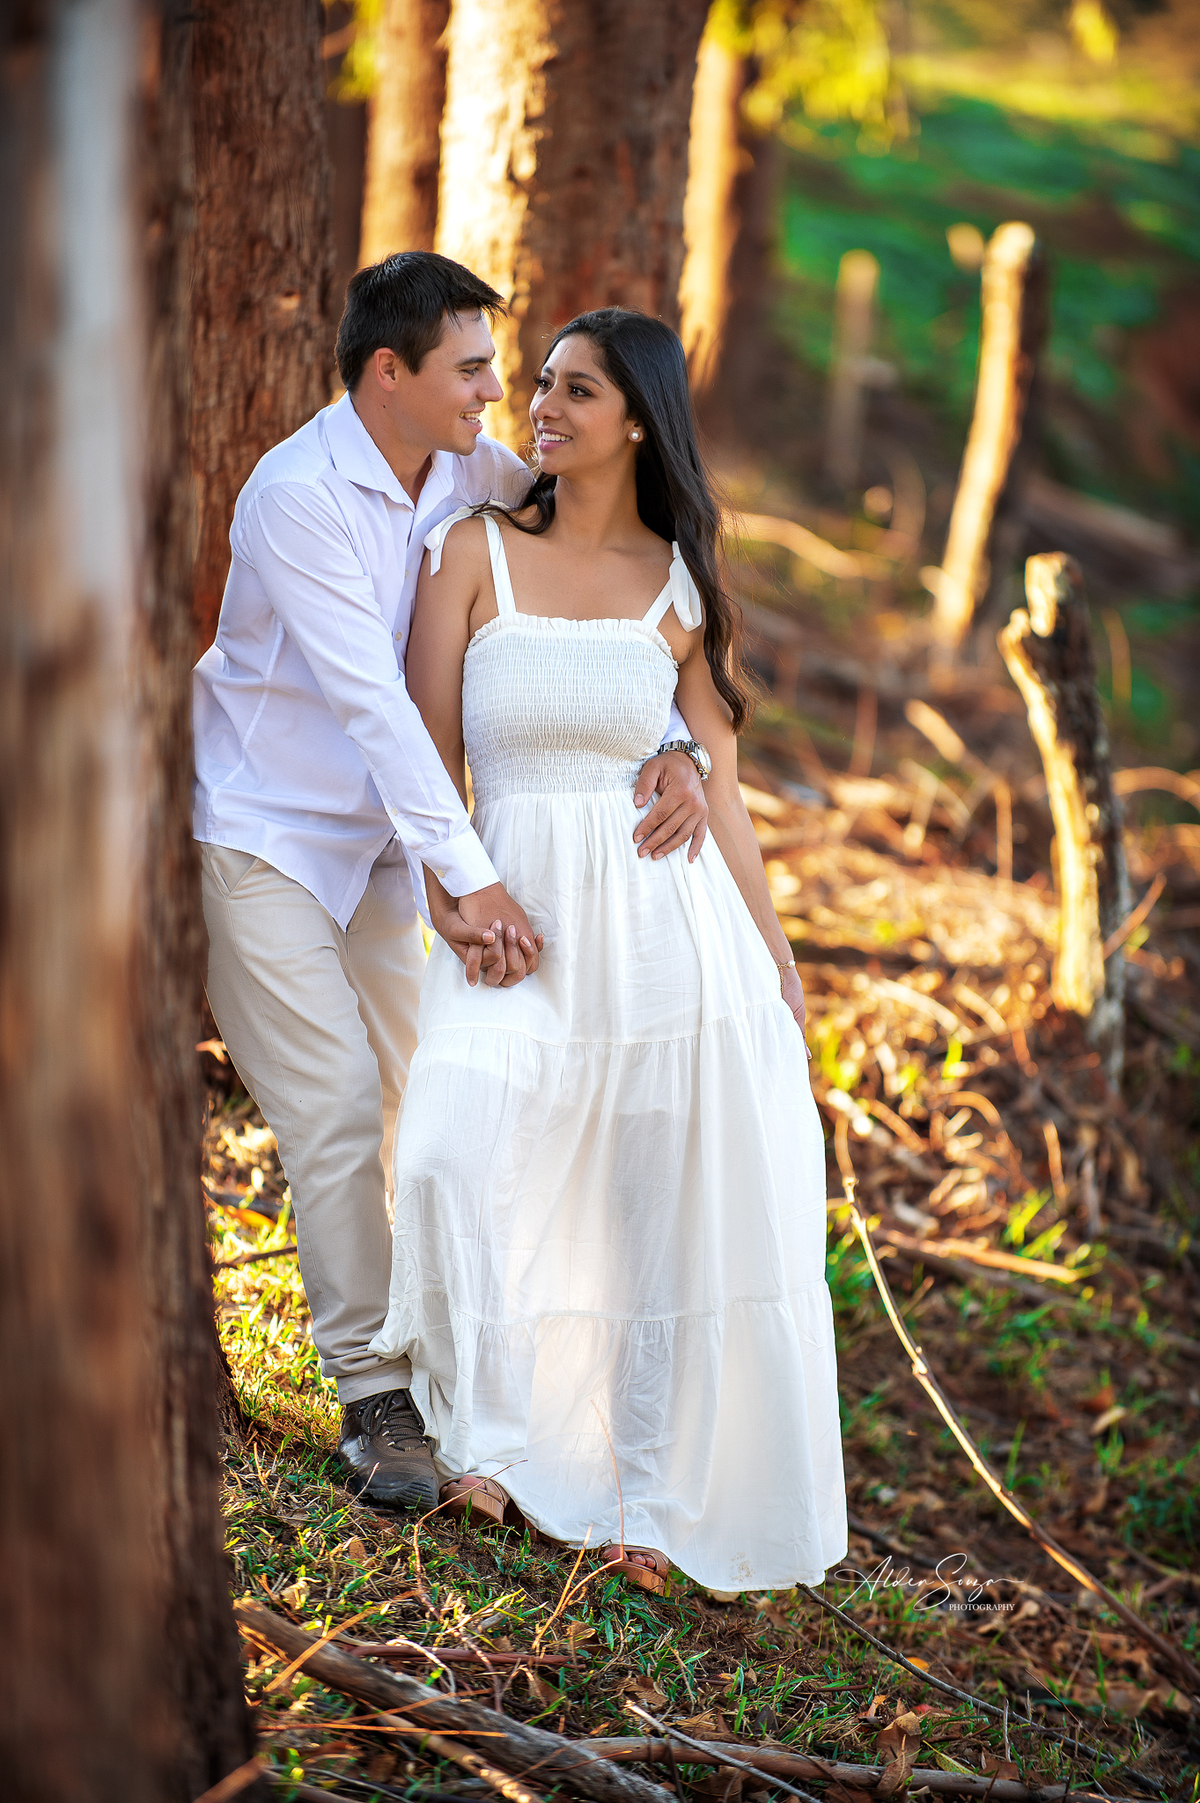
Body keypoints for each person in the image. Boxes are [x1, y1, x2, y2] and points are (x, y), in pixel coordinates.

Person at [193, 255, 708, 1507]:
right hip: (268, 835)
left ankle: (447, 1362)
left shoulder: (471, 471)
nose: (502, 393)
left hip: (387, 847)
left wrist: (681, 741)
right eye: (473, 369)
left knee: (421, 1108)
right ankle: (374, 1397)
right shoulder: (297, 496)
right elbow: (377, 708)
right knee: (325, 1112)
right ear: (391, 373)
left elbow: (607, 581)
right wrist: (469, 877)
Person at [370, 308, 847, 1596]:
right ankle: (487, 1433)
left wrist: (774, 947)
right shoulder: (471, 553)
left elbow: (724, 782)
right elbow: (423, 761)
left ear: (635, 418)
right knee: (458, 1150)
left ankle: (640, 1487)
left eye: (574, 390)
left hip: (659, 932)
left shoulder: (677, 585)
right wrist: (453, 903)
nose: (541, 407)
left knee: (649, 1207)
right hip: (510, 922)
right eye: (537, 384)